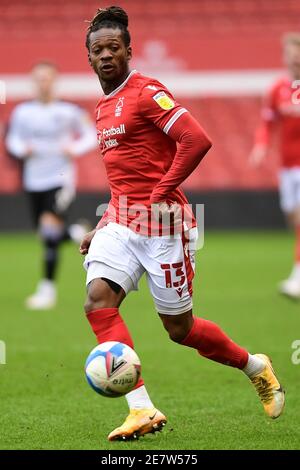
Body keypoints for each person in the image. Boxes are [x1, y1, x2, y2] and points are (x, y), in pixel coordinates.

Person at [80, 6, 285, 441]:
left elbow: (197, 139)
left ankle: (255, 366)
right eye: (98, 50)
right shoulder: (102, 107)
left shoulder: (146, 91)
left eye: (114, 47)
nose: (106, 56)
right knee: (98, 301)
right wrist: (101, 226)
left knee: (180, 329)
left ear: (129, 50)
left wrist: (159, 193)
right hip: (120, 221)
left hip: (165, 226)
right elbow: (124, 177)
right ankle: (141, 408)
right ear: (90, 58)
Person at [6, 61, 97, 309]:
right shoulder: (22, 112)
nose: (43, 83)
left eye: (47, 78)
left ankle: (47, 291)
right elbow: (12, 138)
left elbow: (92, 134)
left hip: (59, 178)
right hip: (33, 180)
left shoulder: (69, 111)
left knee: (48, 233)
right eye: (39, 79)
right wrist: (20, 149)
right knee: (46, 234)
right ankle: (78, 233)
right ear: (33, 82)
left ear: (54, 81)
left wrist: (74, 148)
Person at [250, 33, 300, 299]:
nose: (294, 58)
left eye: (297, 53)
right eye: (290, 54)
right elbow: (267, 124)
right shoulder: (277, 89)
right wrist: (260, 147)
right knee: (294, 219)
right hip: (287, 167)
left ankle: (298, 277)